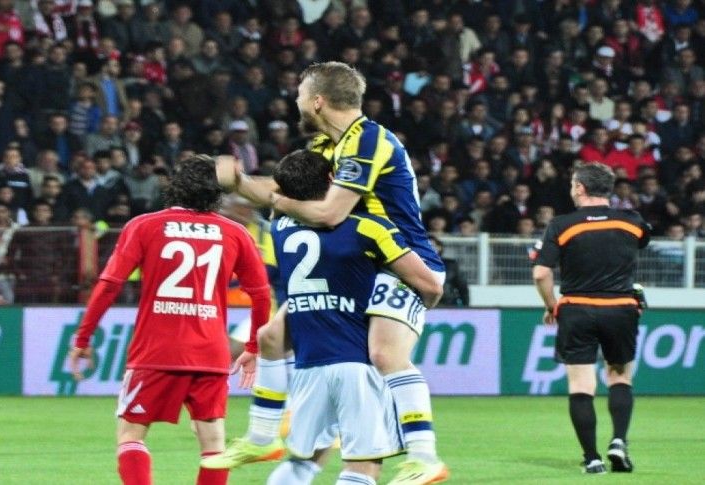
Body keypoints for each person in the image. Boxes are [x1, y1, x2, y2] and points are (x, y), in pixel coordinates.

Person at [209, 61, 448, 485]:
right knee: (270, 336)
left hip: (402, 261)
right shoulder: (326, 145)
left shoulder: (369, 140)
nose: (297, 101)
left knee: (384, 354)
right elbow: (281, 189)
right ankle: (262, 438)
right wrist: (238, 180)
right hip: (358, 262)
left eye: (301, 94)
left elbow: (329, 212)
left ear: (317, 101)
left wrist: (276, 204)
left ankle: (425, 457)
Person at [68, 155, 272, 485]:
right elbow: (261, 295)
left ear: (175, 185)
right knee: (214, 445)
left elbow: (108, 285)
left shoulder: (144, 225)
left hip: (155, 351)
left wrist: (83, 338)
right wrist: (253, 347)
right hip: (210, 353)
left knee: (131, 435)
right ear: (216, 192)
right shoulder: (235, 232)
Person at [259, 150, 443, 485]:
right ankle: (423, 453)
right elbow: (429, 285)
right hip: (356, 361)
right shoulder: (368, 228)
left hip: (308, 367)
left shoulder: (280, 228)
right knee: (362, 467)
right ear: (333, 180)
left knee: (303, 462)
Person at [531, 163, 651, 474]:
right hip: (621, 307)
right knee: (620, 378)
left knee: (581, 385)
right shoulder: (632, 221)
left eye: (573, 184)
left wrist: (551, 306)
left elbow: (541, 273)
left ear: (580, 188)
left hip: (577, 308)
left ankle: (592, 459)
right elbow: (640, 242)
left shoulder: (561, 224)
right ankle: (619, 441)